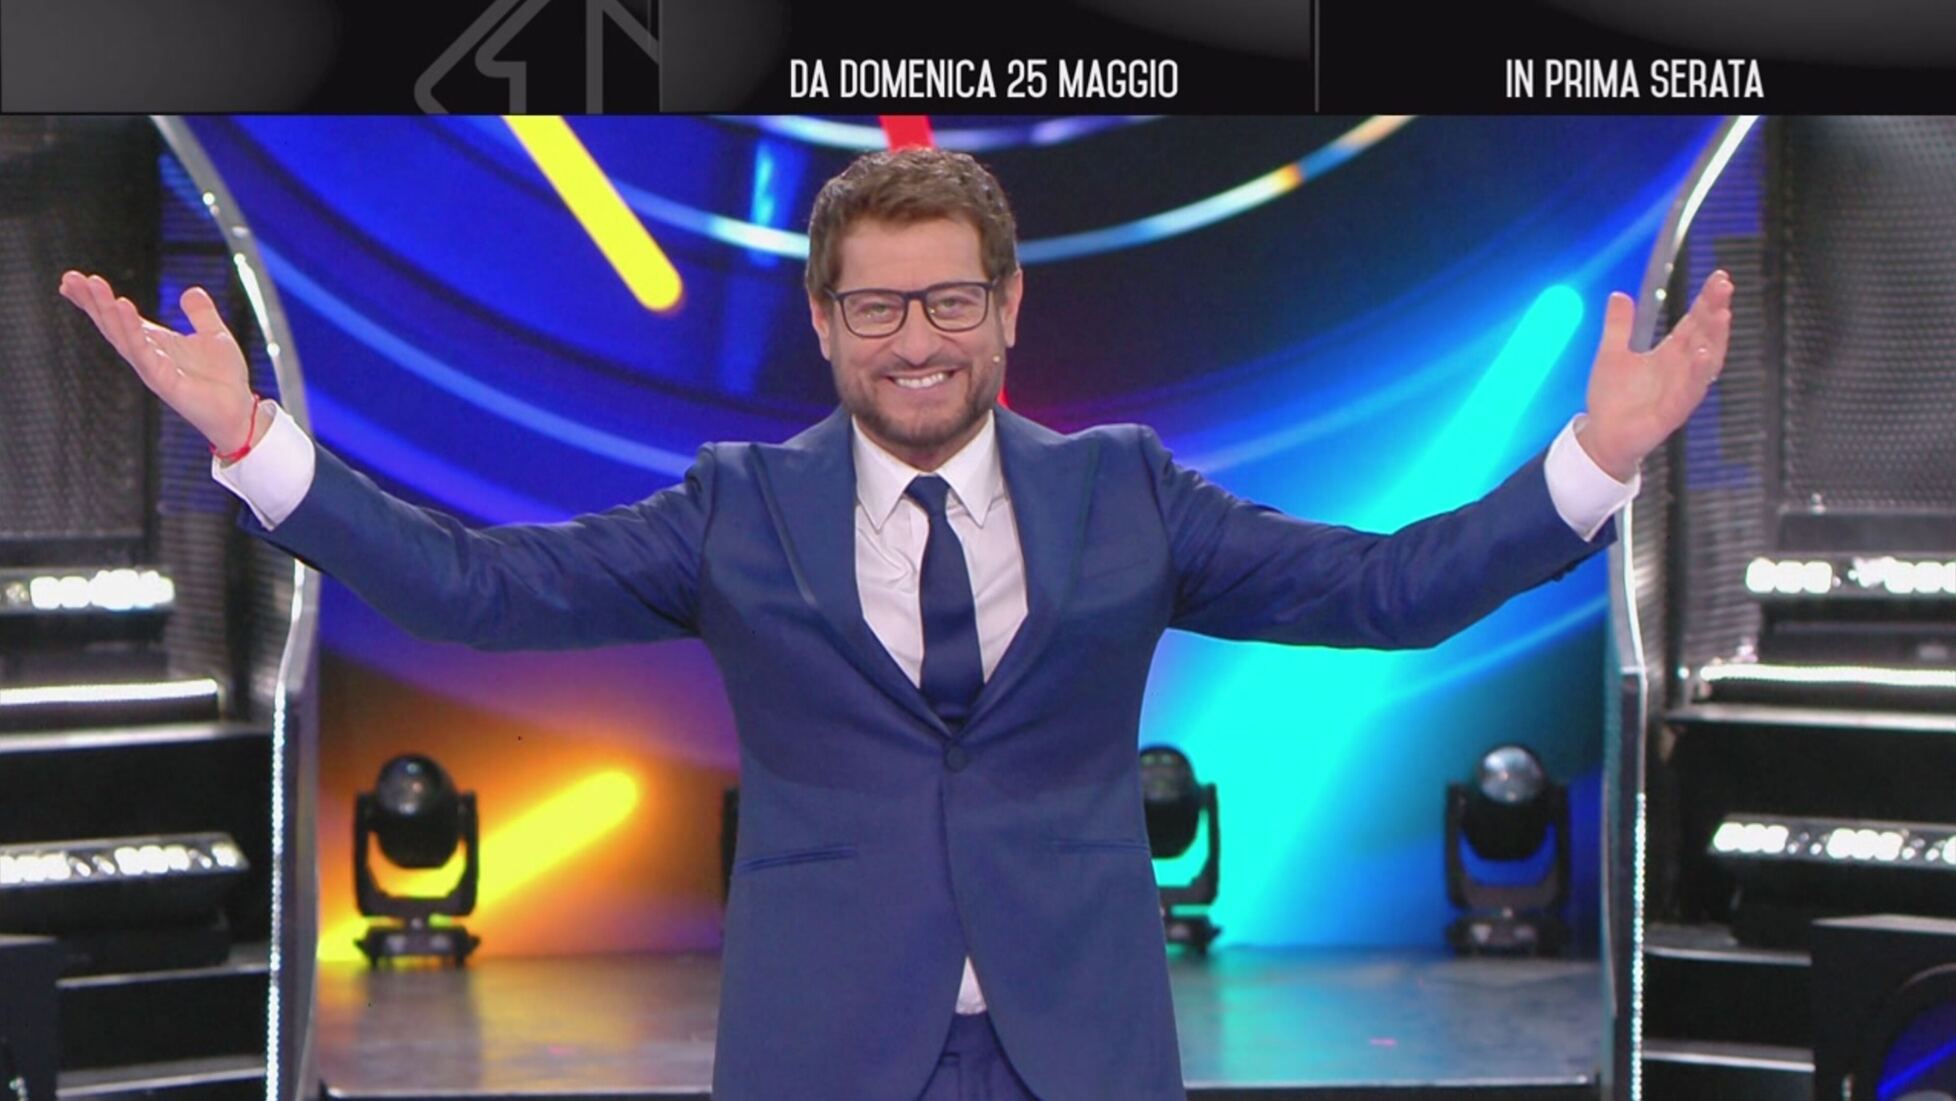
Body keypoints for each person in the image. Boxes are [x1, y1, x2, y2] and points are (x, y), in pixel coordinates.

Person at [60, 146, 1733, 1101]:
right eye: (875, 304)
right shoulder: (733, 506)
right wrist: (253, 439)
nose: (914, 338)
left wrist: (1593, 459)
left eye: (947, 298)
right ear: (822, 319)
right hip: (828, 1046)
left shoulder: (1130, 491)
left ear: (1007, 307)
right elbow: (472, 589)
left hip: (1076, 1046)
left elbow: (1391, 591)